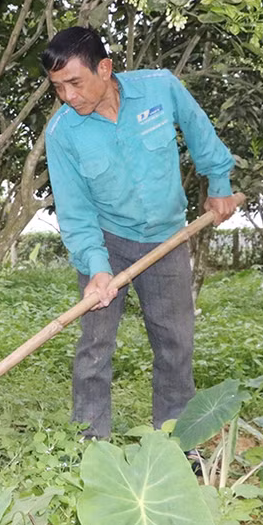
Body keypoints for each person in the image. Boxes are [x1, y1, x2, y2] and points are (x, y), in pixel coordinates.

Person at [41, 27, 237, 445]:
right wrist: (96, 269)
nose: (68, 96)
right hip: (108, 244)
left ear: (105, 68)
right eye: (58, 88)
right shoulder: (62, 134)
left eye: (75, 83)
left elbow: (199, 129)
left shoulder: (160, 89)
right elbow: (75, 213)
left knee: (175, 347)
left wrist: (218, 182)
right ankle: (90, 449)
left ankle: (179, 446)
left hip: (167, 240)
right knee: (95, 349)